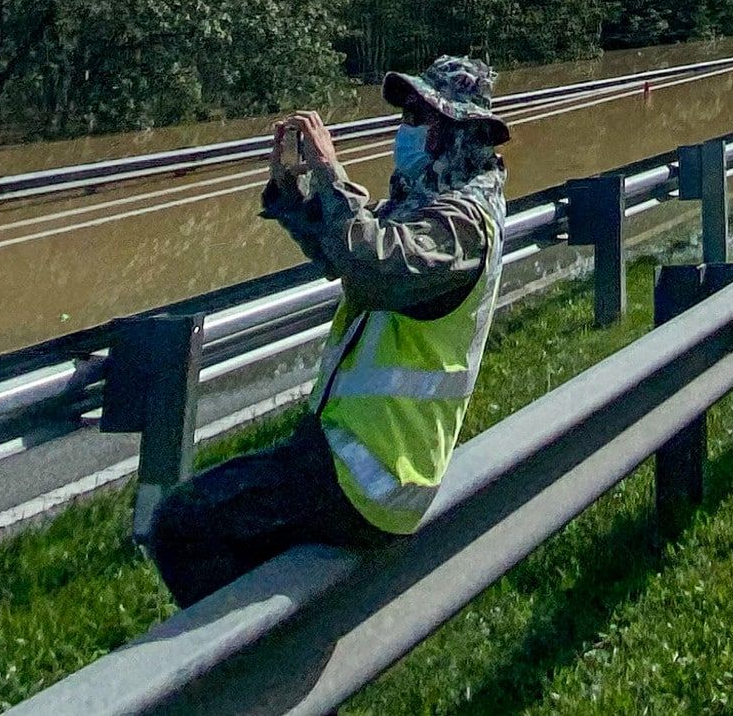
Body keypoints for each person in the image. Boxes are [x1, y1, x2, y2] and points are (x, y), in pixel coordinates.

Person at [142, 55, 513, 608]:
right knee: (231, 532)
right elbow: (345, 251)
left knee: (181, 525)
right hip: (348, 463)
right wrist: (292, 197)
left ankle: (245, 678)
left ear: (448, 132)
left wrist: (330, 174)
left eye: (415, 117)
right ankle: (279, 661)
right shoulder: (429, 206)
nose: (402, 131)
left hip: (371, 479)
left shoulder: (461, 225)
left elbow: (373, 266)